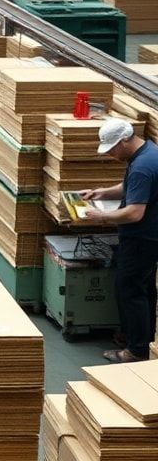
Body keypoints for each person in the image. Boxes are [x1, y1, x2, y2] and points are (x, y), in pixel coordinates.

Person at [81, 117, 158, 363]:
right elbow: (131, 187)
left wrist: (102, 216)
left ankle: (136, 350)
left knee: (130, 291)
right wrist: (103, 192)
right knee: (143, 288)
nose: (110, 154)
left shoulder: (142, 166)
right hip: (149, 236)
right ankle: (142, 338)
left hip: (142, 238)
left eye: (112, 149)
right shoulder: (148, 152)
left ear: (124, 140)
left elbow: (134, 213)